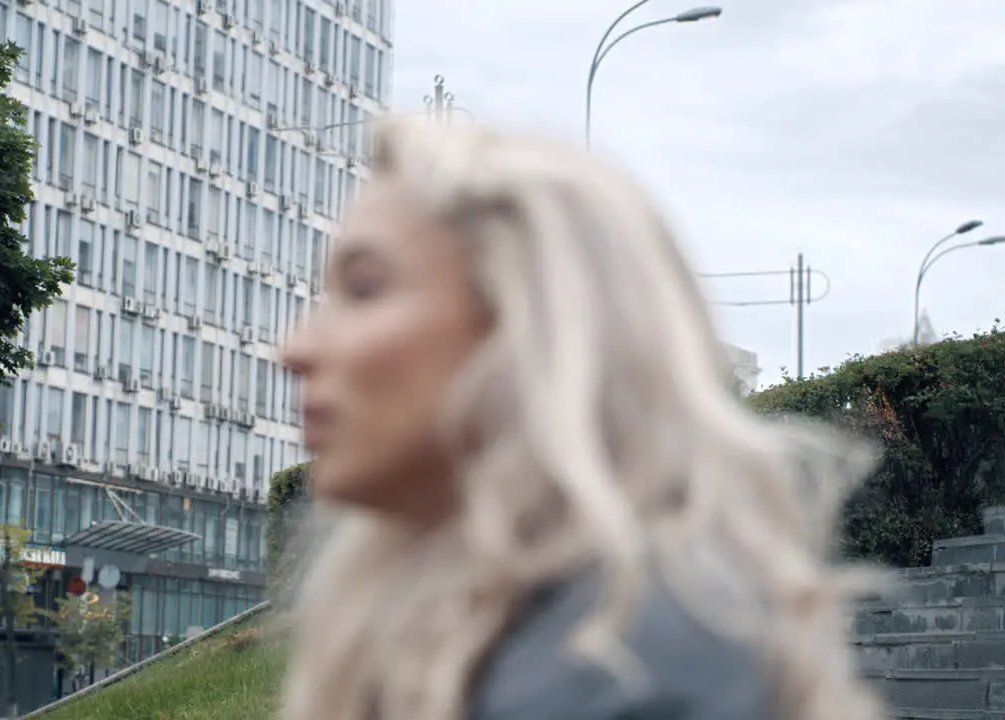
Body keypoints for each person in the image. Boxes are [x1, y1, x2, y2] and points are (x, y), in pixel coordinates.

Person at [278, 117, 885, 720]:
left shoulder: (626, 662)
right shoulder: (510, 630)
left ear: (530, 329)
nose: (296, 349)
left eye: (363, 288)